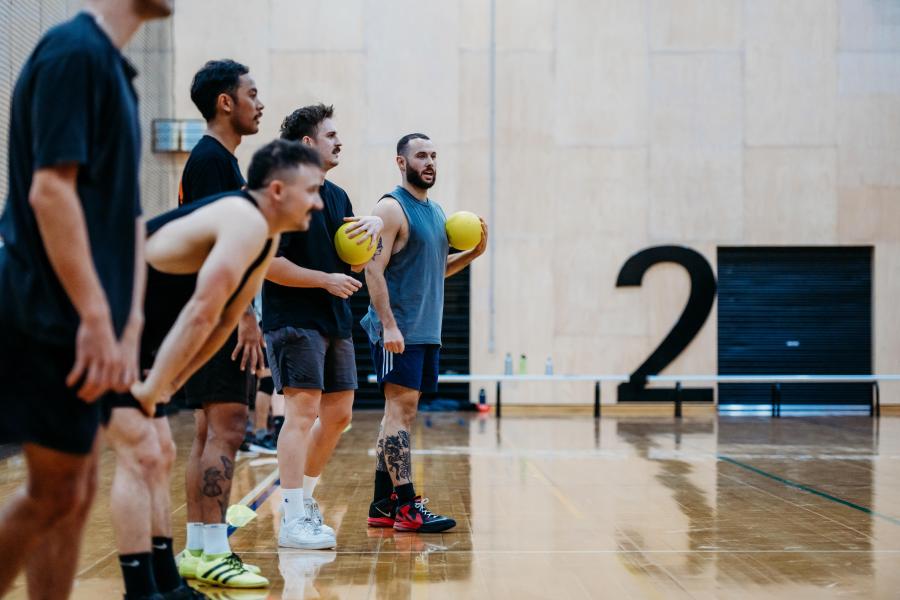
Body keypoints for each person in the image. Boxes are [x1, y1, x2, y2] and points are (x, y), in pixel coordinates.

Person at [0, 2, 172, 598]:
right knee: (55, 490)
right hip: (48, 311)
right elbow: (50, 191)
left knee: (74, 491)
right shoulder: (74, 54)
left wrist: (129, 326)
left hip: (90, 319)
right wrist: (97, 315)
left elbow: (129, 217)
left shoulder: (115, 71)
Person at [105, 139, 325, 596]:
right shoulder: (244, 220)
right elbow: (203, 311)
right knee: (141, 453)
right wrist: (152, 390)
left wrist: (172, 382)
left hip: (140, 327)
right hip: (104, 314)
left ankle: (167, 581)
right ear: (279, 190)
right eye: (313, 190)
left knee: (158, 452)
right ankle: (141, 589)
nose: (319, 202)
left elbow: (224, 322)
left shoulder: (265, 238)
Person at [264, 104, 383, 549]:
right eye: (331, 134)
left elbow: (353, 260)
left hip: (335, 318)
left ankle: (305, 505)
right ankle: (291, 517)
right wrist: (324, 279)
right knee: (302, 412)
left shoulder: (337, 196)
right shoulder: (282, 190)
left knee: (338, 416)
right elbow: (269, 263)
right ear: (309, 143)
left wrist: (371, 234)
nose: (340, 141)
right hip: (294, 318)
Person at [362, 134, 487, 532]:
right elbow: (372, 269)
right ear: (401, 162)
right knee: (402, 412)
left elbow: (436, 270)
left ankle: (382, 505)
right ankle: (407, 507)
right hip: (399, 330)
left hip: (424, 331)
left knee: (396, 416)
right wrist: (388, 326)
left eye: (434, 155)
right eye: (421, 156)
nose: (430, 161)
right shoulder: (391, 208)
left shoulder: (435, 212)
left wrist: (471, 255)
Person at [174, 59, 269, 580]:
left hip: (206, 314)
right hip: (220, 316)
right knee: (228, 428)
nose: (261, 103)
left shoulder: (213, 161)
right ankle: (212, 553)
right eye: (253, 93)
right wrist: (246, 317)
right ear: (225, 102)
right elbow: (223, 251)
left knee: (210, 429)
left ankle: (199, 548)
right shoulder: (214, 162)